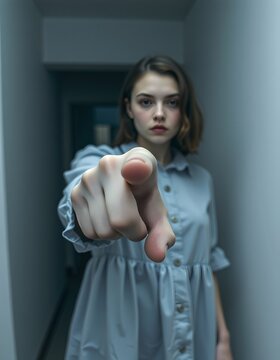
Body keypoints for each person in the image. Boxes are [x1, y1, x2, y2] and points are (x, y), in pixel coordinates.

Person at [58, 55, 233, 360]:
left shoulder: (202, 180)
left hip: (192, 330)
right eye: (146, 102)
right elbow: (84, 186)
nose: (160, 114)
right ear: (128, 108)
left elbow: (210, 262)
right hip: (120, 330)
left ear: (183, 111)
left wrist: (223, 338)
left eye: (173, 103)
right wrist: (92, 200)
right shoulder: (100, 160)